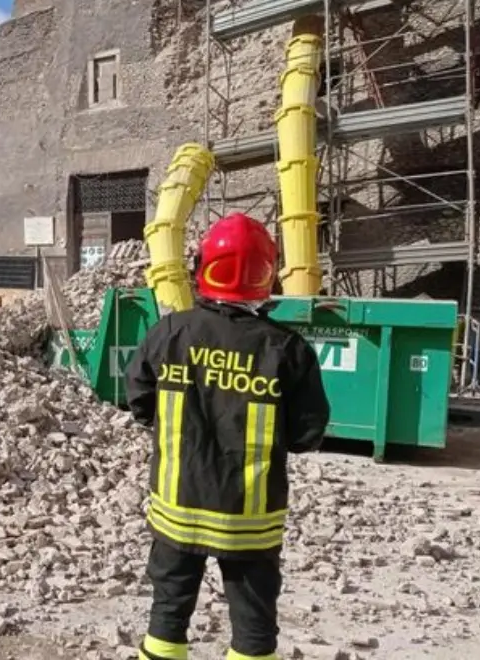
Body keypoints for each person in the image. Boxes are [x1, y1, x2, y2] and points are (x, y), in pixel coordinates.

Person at [125, 213, 331, 660]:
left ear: (203, 268)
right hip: (250, 521)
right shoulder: (287, 349)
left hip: (177, 510)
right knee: (254, 626)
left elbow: (139, 401)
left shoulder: (170, 333)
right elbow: (307, 434)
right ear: (266, 275)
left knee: (168, 614)